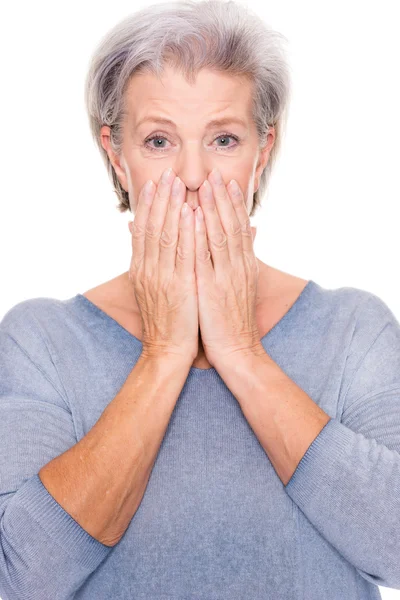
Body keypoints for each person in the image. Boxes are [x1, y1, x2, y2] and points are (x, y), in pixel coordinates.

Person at [1, 1, 399, 599]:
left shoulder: (354, 330)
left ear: (263, 150)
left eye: (224, 139)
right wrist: (164, 354)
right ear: (116, 155)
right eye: (159, 140)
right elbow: (21, 577)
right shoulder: (40, 342)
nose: (192, 174)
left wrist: (241, 351)